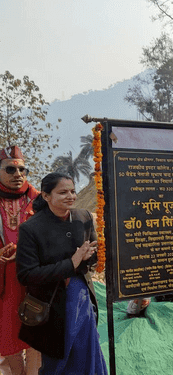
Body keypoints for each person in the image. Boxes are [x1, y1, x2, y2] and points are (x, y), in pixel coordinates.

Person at [16, 172, 108, 375]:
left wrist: (93, 256)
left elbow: (91, 259)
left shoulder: (83, 217)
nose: (71, 196)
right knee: (59, 361)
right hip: (52, 305)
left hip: (82, 300)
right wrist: (72, 263)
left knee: (87, 354)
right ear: (46, 196)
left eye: (73, 191)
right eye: (63, 192)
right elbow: (26, 274)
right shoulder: (31, 229)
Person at [0, 146, 41, 375]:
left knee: (37, 325)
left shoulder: (40, 200)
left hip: (34, 276)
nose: (18, 175)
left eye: (22, 170)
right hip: (5, 280)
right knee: (8, 333)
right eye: (10, 169)